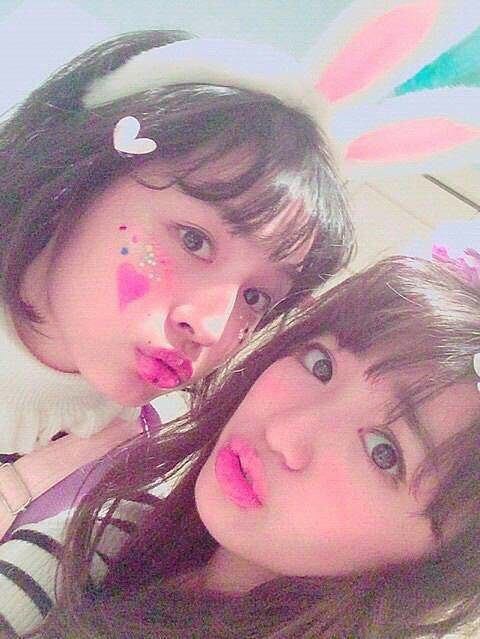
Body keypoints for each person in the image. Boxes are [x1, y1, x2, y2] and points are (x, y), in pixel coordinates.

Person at [1, 233, 479, 638]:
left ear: (448, 561)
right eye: (321, 365)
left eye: (383, 452)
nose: (285, 432)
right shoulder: (124, 525)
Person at [0, 30, 353, 534]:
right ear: (81, 180)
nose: (210, 328)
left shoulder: (113, 473)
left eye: (255, 297)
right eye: (194, 240)